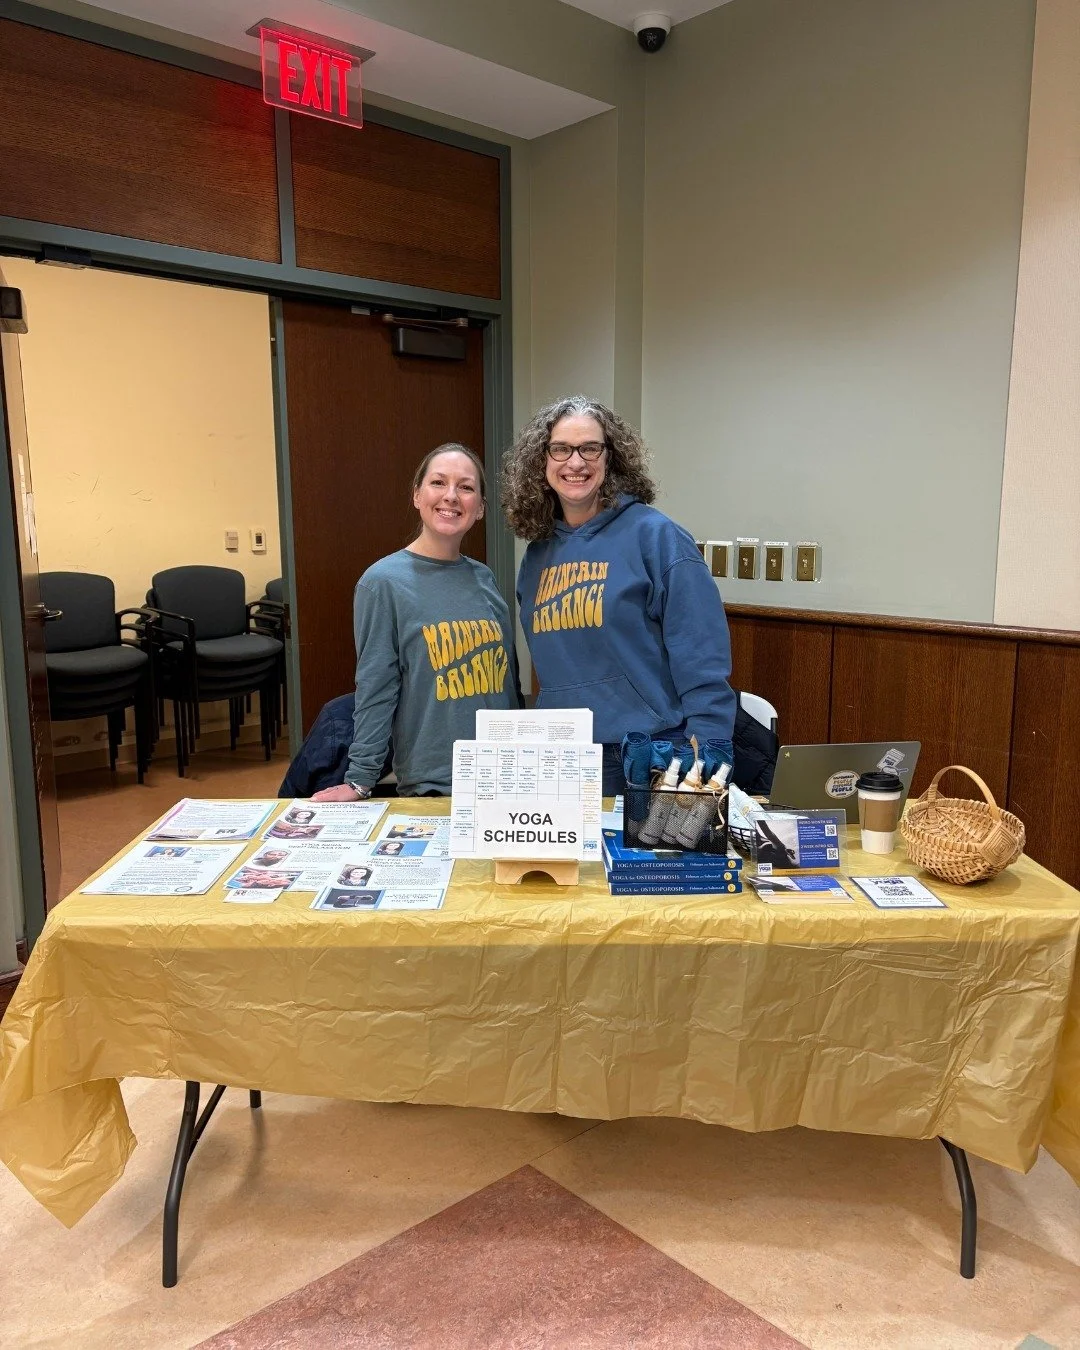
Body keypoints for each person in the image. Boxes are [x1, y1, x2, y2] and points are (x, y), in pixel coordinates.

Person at [502, 395, 735, 796]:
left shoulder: (657, 537)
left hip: (650, 754)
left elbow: (701, 652)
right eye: (560, 449)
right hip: (564, 755)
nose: (576, 462)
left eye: (590, 448)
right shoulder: (537, 556)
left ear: (610, 458)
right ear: (542, 462)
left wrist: (707, 746)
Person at [313, 444, 520, 802]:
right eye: (438, 482)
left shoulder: (484, 578)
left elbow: (506, 682)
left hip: (502, 775)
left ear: (481, 507)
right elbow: (376, 686)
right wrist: (360, 778)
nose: (451, 496)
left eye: (466, 487)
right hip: (434, 782)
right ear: (417, 495)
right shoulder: (382, 582)